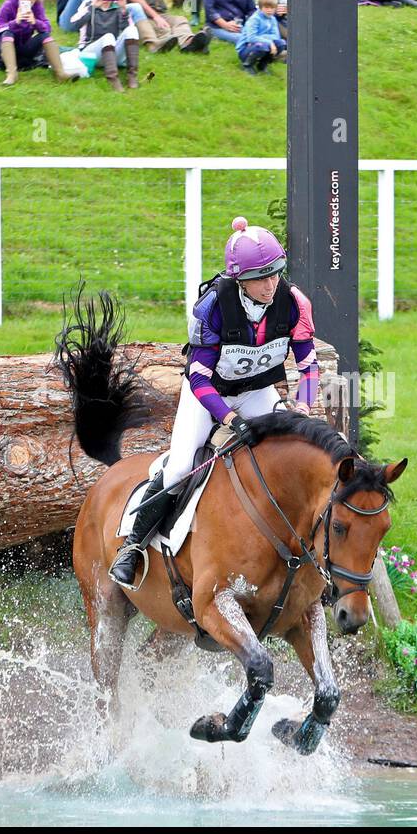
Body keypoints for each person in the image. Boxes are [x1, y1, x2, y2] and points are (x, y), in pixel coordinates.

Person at [108, 216, 319, 590]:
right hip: (208, 397)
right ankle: (132, 546)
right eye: (260, 277)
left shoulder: (294, 303)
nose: (271, 284)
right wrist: (228, 417)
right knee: (179, 469)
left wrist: (302, 407)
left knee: (294, 453)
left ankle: (312, 554)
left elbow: (308, 367)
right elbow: (199, 378)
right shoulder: (213, 309)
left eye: (276, 274)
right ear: (239, 279)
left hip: (257, 393)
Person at [0, 0, 74, 85]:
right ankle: (11, 75)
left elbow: (48, 28)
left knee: (45, 35)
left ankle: (61, 74)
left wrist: (35, 22)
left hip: (24, 48)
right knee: (8, 32)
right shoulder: (9, 5)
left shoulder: (37, 7)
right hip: (3, 48)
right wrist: (15, 22)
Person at [70, 0, 140, 90]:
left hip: (112, 53)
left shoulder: (118, 6)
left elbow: (126, 31)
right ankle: (113, 79)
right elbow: (74, 25)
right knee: (108, 36)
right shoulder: (88, 4)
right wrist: (93, 7)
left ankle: (132, 76)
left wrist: (123, 9)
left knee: (132, 30)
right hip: (92, 53)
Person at [235, 0, 285, 73]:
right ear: (261, 7)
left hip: (262, 43)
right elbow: (251, 38)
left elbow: (276, 36)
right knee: (262, 46)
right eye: (266, 7)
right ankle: (247, 64)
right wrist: (269, 41)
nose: (269, 10)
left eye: (272, 8)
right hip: (246, 49)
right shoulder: (255, 19)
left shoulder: (272, 19)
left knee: (281, 43)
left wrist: (267, 40)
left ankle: (262, 64)